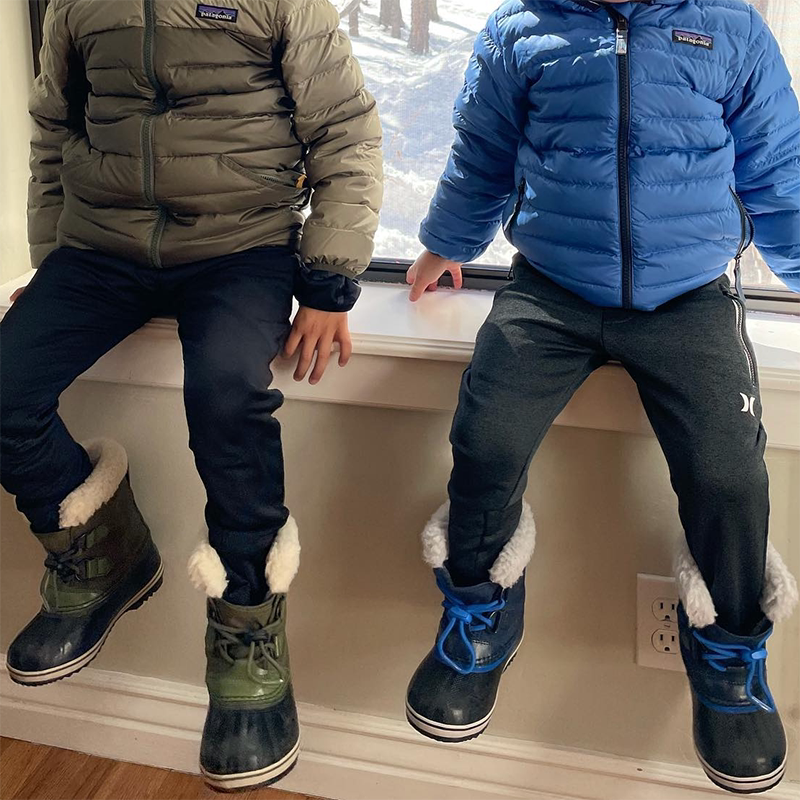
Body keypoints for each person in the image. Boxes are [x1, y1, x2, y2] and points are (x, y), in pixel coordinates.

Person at [403, 0, 799, 793]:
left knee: (727, 474)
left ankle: (729, 650)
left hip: (690, 295)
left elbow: (776, 165)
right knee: (486, 439)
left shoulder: (730, 28)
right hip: (551, 289)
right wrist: (447, 242)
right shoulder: (521, 29)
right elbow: (483, 151)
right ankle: (480, 609)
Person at [0, 0, 382, 791]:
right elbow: (53, 132)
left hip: (239, 246)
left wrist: (329, 281)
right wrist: (48, 258)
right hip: (98, 251)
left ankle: (247, 629)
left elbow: (344, 130)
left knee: (227, 397)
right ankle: (102, 555)